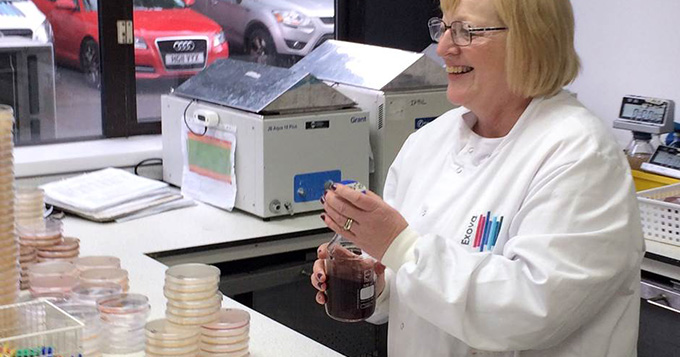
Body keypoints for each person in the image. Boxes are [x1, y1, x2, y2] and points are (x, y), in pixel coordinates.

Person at [311, 0, 644, 356]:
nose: (442, 48)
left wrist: (398, 246)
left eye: (465, 31)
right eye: (444, 27)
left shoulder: (582, 155)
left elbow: (529, 310)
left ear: (529, 41)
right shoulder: (428, 142)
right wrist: (375, 283)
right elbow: (411, 285)